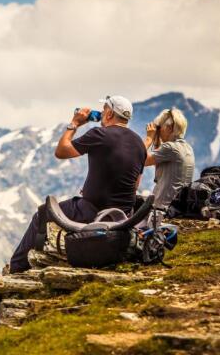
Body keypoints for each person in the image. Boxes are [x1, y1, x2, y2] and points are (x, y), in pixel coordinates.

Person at [8, 95, 147, 274]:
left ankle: (17, 269)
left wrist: (74, 123)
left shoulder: (100, 134)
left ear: (110, 113)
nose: (102, 113)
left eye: (104, 109)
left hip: (92, 209)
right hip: (123, 216)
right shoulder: (139, 144)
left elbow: (61, 151)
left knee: (41, 215)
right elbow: (135, 185)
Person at [142, 108, 195, 209]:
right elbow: (158, 162)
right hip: (176, 206)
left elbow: (140, 160)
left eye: (160, 127)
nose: (159, 130)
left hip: (162, 207)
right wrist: (157, 140)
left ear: (169, 128)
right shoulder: (187, 148)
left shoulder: (170, 148)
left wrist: (149, 138)